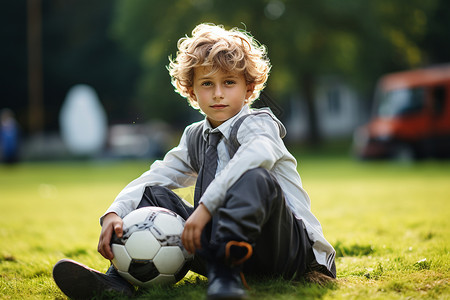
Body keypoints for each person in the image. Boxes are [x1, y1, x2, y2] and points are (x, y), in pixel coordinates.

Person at [53, 23, 336, 299]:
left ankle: (226, 275)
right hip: (227, 246)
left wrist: (204, 207)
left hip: (288, 252)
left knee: (254, 177)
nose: (218, 93)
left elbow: (256, 157)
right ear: (191, 91)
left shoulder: (257, 124)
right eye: (206, 84)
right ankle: (119, 279)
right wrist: (114, 213)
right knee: (151, 194)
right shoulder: (196, 136)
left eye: (229, 83)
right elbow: (158, 175)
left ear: (248, 89)